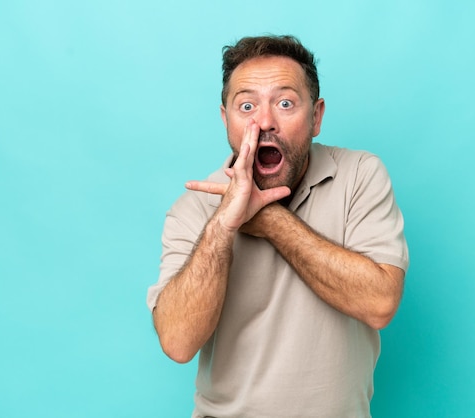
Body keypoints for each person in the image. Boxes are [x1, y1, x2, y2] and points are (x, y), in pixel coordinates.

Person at [146, 35, 409, 418]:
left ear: (316, 116)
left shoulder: (359, 175)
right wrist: (222, 226)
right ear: (225, 120)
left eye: (285, 103)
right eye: (247, 105)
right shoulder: (194, 209)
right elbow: (178, 342)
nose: (265, 121)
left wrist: (269, 220)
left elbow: (380, 304)